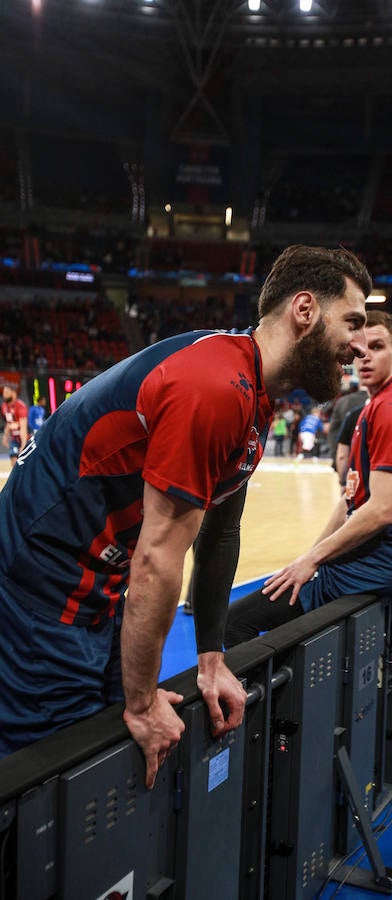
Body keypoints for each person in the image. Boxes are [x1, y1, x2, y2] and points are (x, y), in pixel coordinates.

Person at [0, 244, 371, 789]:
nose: (357, 346)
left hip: (97, 587)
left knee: (105, 746)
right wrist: (144, 702)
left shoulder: (252, 390)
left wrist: (211, 656)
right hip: (42, 590)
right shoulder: (215, 385)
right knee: (47, 779)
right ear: (306, 309)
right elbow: (156, 560)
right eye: (354, 322)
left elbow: (221, 533)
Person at [223, 310, 392, 648]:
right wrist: (309, 555)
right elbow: (351, 500)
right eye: (359, 350)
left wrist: (312, 560)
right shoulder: (381, 403)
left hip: (375, 566)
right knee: (282, 592)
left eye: (377, 347)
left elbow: (382, 510)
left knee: (235, 622)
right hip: (388, 559)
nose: (365, 357)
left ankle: (270, 701)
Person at [327, 374, 368, 460]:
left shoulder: (343, 402)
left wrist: (336, 459)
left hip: (347, 457)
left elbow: (333, 432)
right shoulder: (381, 402)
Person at [1, 382, 28, 468]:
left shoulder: (20, 406)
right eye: (3, 393)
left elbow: (23, 427)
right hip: (14, 439)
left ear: (13, 393)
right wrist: (5, 436)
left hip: (24, 438)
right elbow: (9, 423)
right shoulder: (4, 406)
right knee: (13, 461)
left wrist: (23, 444)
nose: (4, 395)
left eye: (6, 392)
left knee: (25, 462)